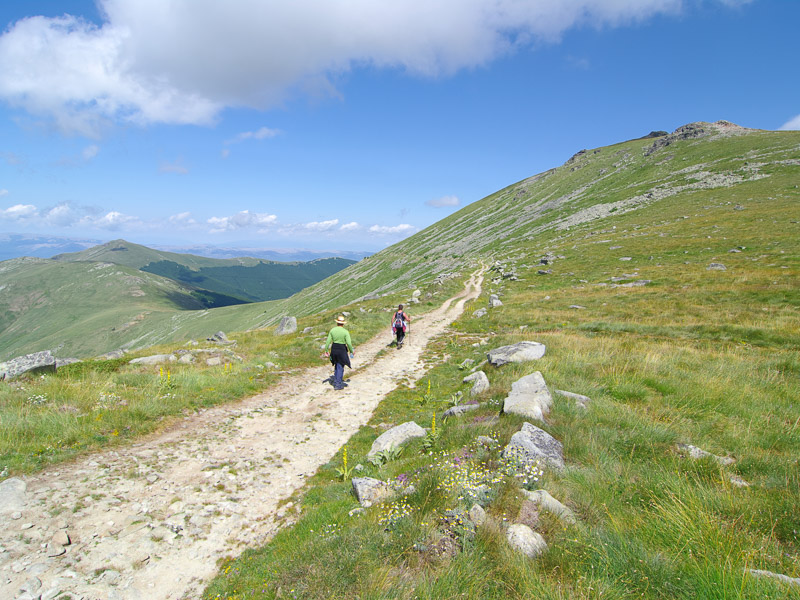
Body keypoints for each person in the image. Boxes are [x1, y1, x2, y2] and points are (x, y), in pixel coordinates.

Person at [324, 315, 354, 390]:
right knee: (340, 365)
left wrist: (326, 350)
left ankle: (336, 380)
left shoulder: (332, 330)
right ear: (343, 323)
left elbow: (328, 341)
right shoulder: (345, 332)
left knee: (336, 364)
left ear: (337, 322)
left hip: (334, 348)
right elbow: (349, 343)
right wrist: (351, 351)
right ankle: (338, 384)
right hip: (342, 349)